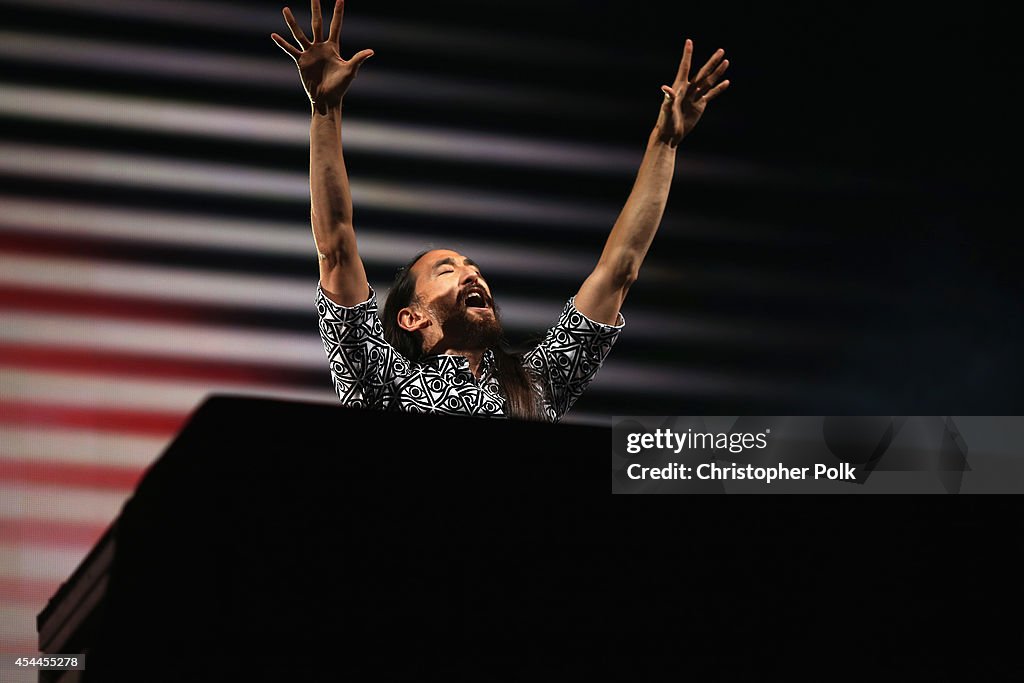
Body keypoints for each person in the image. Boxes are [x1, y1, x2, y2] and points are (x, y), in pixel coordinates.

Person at [272, 0, 730, 422]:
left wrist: (665, 144)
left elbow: (619, 271)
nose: (474, 276)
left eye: (473, 268)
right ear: (410, 317)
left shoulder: (536, 384)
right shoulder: (380, 378)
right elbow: (336, 244)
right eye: (446, 270)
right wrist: (325, 111)